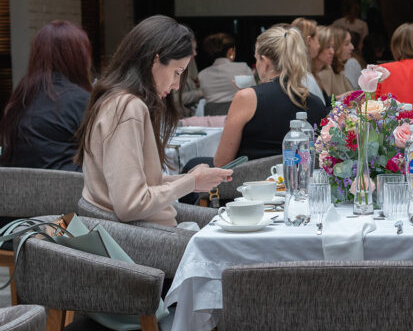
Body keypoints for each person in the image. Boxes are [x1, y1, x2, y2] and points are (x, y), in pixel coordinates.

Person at [77, 16, 230, 227]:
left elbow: (138, 183)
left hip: (145, 232)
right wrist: (190, 181)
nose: (177, 85)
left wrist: (191, 181)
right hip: (149, 236)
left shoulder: (116, 100)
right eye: (177, 72)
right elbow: (131, 204)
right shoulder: (128, 108)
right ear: (155, 60)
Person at [213, 25, 325, 164]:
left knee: (194, 163)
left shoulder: (247, 98)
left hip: (249, 176)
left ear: (265, 62)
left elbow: (221, 162)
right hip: (298, 175)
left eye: (256, 59)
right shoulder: (316, 103)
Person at [0, 20, 92, 171]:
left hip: (20, 185)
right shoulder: (79, 100)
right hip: (69, 183)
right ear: (79, 58)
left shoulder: (20, 97)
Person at [197, 32, 253, 104]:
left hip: (212, 111)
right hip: (241, 110)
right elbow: (254, 94)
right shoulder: (243, 67)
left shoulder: (202, 75)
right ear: (231, 51)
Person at [290, 16, 325, 102]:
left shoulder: (295, 71)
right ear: (309, 40)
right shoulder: (305, 77)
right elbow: (320, 107)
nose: (319, 45)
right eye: (317, 40)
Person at [313, 26, 353, 100]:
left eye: (333, 47)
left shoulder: (335, 69)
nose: (332, 52)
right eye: (346, 44)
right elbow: (325, 104)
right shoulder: (325, 71)